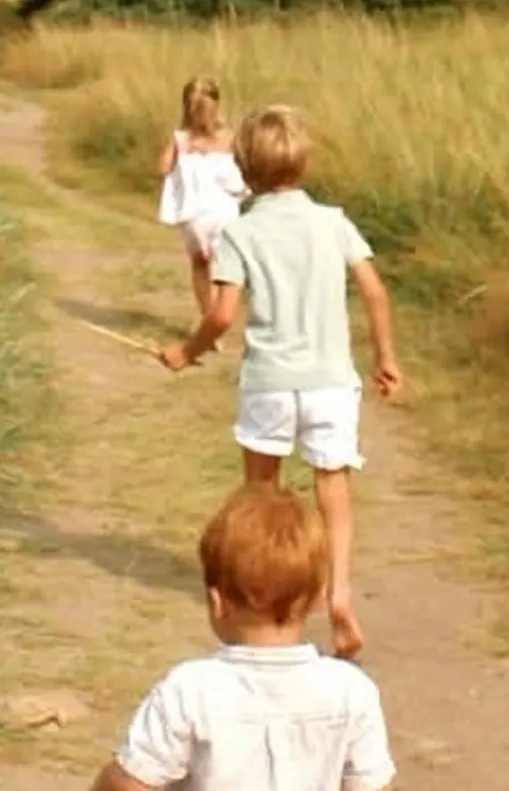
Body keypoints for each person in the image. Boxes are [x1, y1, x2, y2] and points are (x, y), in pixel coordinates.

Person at [157, 104, 403, 660]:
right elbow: (375, 291)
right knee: (333, 490)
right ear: (304, 162)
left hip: (270, 381)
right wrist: (385, 356)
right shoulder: (333, 222)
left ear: (243, 168)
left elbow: (221, 316)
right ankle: (337, 594)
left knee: (261, 496)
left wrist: (185, 351)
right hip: (330, 381)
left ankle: (264, 593)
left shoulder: (241, 232)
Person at [86, 483, 397, 791]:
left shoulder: (189, 691)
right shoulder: (351, 691)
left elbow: (128, 783)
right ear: (318, 598)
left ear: (217, 603)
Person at [156, 76, 249, 350]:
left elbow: (161, 169)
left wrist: (181, 149)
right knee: (224, 268)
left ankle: (210, 319)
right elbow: (244, 172)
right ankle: (218, 320)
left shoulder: (181, 140)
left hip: (195, 215)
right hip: (226, 212)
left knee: (201, 267)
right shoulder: (230, 137)